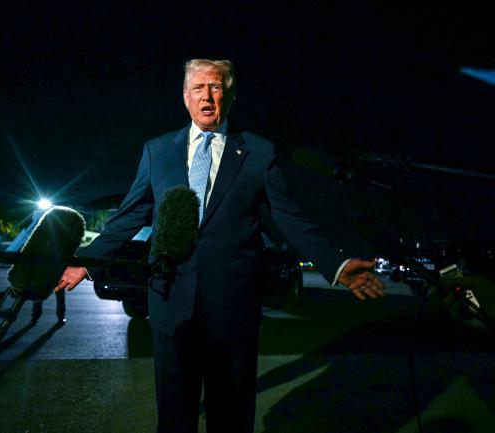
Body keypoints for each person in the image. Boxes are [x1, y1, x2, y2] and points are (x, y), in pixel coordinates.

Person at [55, 59, 386, 433]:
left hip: (232, 311)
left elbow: (290, 219)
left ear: (229, 97)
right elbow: (129, 216)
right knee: (175, 419)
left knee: (230, 419)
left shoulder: (259, 153)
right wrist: (86, 262)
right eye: (198, 88)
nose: (207, 96)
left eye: (216, 87)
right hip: (170, 305)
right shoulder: (158, 151)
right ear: (185, 97)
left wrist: (338, 266)